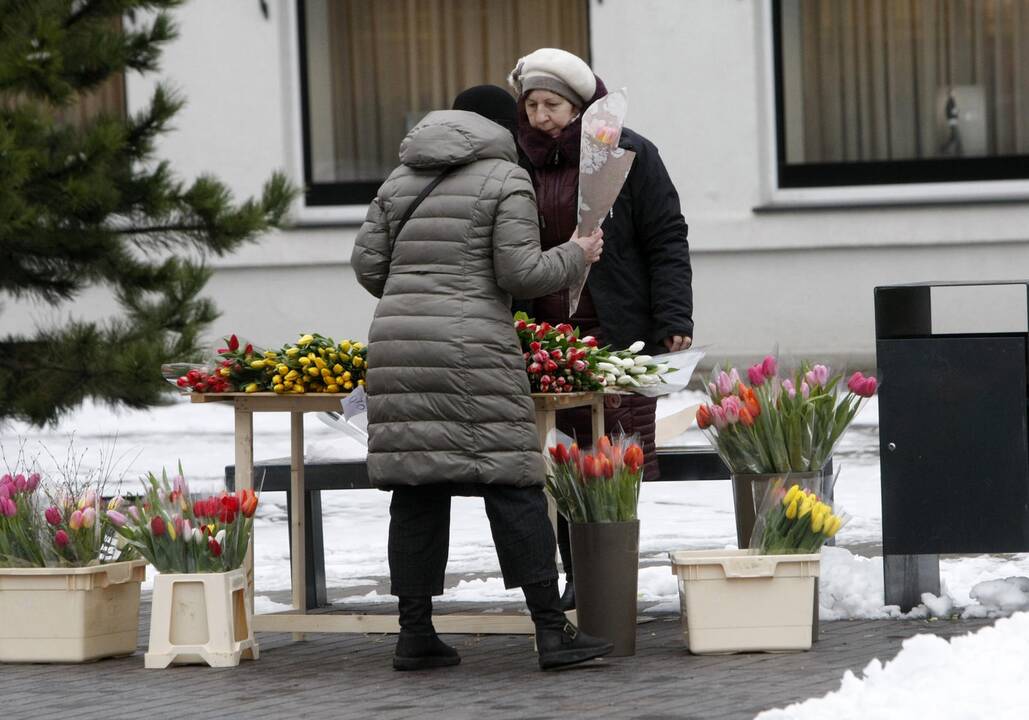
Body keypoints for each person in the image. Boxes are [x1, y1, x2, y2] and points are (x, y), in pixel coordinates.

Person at [351, 86, 612, 672]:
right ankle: (551, 631)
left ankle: (414, 635)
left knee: (416, 486)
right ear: (502, 126)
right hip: (472, 349)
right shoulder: (505, 178)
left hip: (397, 345)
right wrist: (576, 253)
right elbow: (519, 272)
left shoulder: (399, 179)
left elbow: (368, 266)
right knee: (512, 480)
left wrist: (413, 294)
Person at [508, 48, 694, 609]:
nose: (542, 116)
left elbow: (666, 237)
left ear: (582, 106)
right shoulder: (514, 161)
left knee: (610, 459)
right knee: (558, 460)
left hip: (616, 333)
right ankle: (574, 576)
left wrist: (674, 317)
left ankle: (606, 575)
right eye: (533, 105)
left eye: (554, 105)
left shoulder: (628, 153)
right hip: (544, 337)